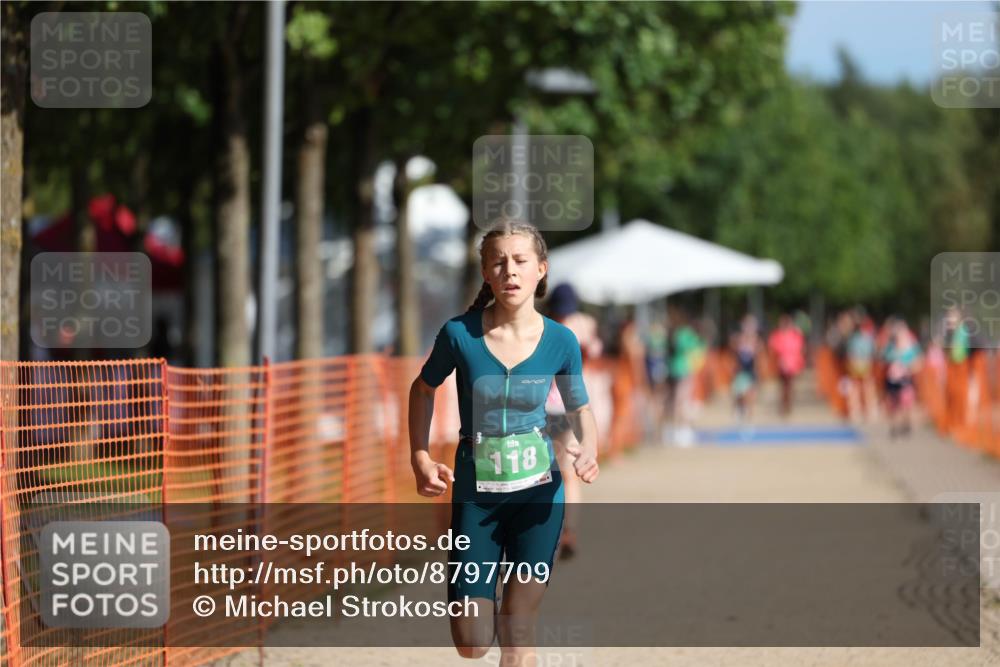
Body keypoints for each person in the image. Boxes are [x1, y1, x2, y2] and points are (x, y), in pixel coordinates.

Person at [408, 219, 600, 663]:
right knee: (472, 642)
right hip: (477, 500)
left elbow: (580, 408)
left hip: (538, 497)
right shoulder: (459, 334)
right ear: (485, 272)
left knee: (518, 630)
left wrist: (589, 448)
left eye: (520, 260)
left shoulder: (561, 341)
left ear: (541, 269)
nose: (509, 270)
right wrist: (419, 456)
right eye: (498, 262)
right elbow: (423, 389)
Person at [544, 283, 603, 560]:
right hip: (567, 408)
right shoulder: (584, 326)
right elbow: (594, 353)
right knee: (567, 474)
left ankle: (558, 531)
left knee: (547, 474)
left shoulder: (542, 326)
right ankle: (568, 530)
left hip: (546, 407)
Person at [667, 308, 704, 447]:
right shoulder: (686, 335)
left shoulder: (677, 334)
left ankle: (678, 428)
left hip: (678, 369)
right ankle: (681, 429)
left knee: (678, 400)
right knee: (681, 400)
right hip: (684, 370)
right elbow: (696, 350)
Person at [881, 319, 922, 438]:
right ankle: (894, 426)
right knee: (893, 403)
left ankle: (906, 425)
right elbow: (884, 357)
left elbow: (918, 361)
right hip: (892, 379)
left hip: (905, 379)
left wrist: (910, 368)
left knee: (906, 402)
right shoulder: (890, 346)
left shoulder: (911, 346)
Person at [767, 314, 805, 417]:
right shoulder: (777, 335)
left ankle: (787, 405)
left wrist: (798, 364)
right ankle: (784, 404)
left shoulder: (795, 335)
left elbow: (798, 349)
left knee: (789, 385)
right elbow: (773, 348)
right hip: (780, 363)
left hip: (792, 364)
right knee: (783, 386)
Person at [730, 313, 762, 426]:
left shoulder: (756, 341)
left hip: (751, 372)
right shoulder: (739, 339)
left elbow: (758, 358)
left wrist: (758, 372)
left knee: (751, 396)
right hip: (741, 372)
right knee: (739, 395)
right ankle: (739, 412)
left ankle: (749, 420)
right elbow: (734, 353)